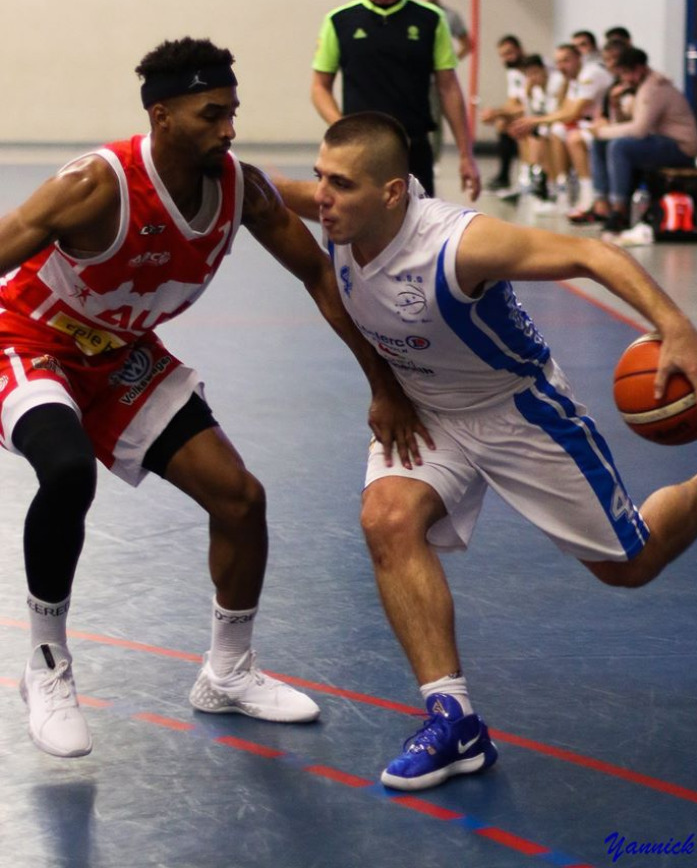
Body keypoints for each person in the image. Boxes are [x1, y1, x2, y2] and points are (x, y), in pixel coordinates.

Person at [305, 110, 697, 792]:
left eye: (339, 183)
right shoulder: (335, 214)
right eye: (318, 178)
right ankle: (453, 722)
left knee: (629, 566)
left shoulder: (460, 245)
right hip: (428, 411)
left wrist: (675, 326)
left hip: (517, 411)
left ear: (392, 192)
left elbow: (591, 255)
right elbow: (246, 190)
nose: (321, 196)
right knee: (386, 519)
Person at [0, 38, 422, 759]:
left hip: (120, 355)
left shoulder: (239, 189)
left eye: (233, 111)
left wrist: (382, 383)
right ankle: (46, 664)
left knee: (240, 500)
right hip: (28, 339)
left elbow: (317, 274)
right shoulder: (97, 185)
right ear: (161, 115)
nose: (229, 129)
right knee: (66, 469)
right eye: (211, 114)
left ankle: (227, 672)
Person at [311, 0, 479, 200]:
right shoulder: (339, 21)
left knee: (418, 222)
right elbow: (319, 87)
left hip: (413, 148)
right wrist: (344, 129)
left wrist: (465, 155)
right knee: (359, 221)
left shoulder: (431, 19)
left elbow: (448, 88)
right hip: (359, 150)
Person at [589, 46, 697, 235]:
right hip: (658, 141)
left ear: (639, 68)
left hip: (681, 147)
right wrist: (615, 106)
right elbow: (629, 124)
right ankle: (601, 202)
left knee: (619, 146)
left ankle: (619, 209)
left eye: (627, 73)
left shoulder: (654, 88)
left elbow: (638, 130)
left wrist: (602, 131)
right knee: (600, 144)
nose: (625, 79)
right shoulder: (641, 87)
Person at [510, 43, 613, 216]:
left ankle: (587, 196)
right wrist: (536, 120)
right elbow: (564, 109)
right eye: (558, 62)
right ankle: (559, 192)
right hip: (587, 124)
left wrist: (536, 120)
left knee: (572, 138)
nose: (561, 66)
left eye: (566, 61)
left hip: (604, 124)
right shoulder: (572, 79)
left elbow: (572, 112)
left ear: (578, 58)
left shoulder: (590, 74)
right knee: (553, 131)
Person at [420, 0, 472, 166]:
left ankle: (433, 161)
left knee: (434, 120)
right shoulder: (414, 14)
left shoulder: (449, 16)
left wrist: (449, 64)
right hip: (415, 77)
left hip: (435, 79)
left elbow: (467, 44)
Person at [479, 34, 527, 193]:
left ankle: (527, 178)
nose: (506, 58)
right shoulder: (513, 73)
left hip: (536, 112)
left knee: (517, 126)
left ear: (520, 50)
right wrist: (496, 114)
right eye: (503, 55)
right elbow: (513, 102)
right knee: (502, 123)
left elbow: (530, 105)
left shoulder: (534, 69)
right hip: (526, 111)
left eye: (509, 53)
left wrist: (498, 113)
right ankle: (504, 177)